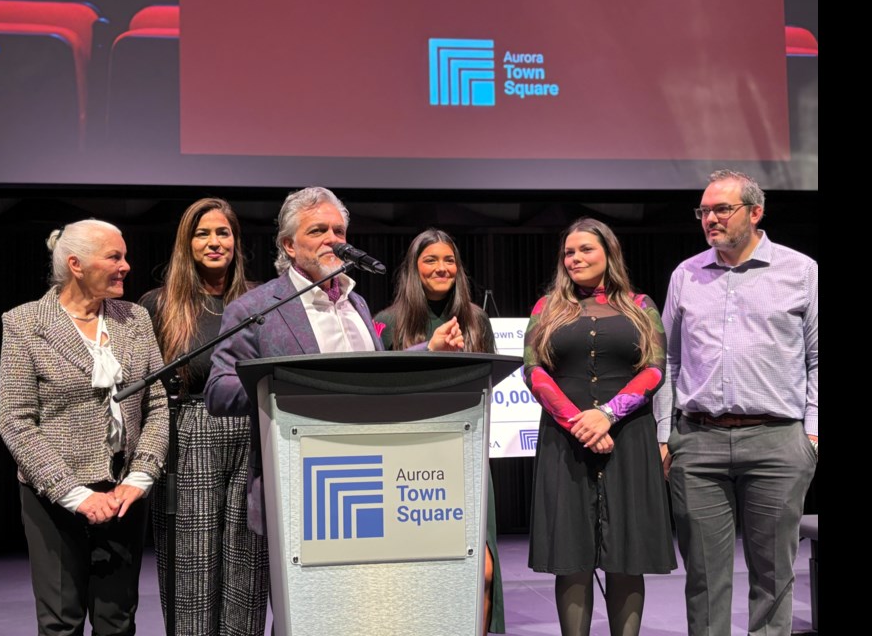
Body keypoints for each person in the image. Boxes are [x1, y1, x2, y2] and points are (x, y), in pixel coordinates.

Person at [653, 170, 818, 636]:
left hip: (777, 441)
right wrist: (666, 436)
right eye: (704, 211)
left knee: (773, 576)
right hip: (698, 442)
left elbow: (817, 356)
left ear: (755, 212)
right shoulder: (685, 273)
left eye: (722, 209)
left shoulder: (800, 271)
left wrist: (812, 434)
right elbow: (667, 358)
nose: (710, 219)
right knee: (704, 578)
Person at [0, 219, 169, 635]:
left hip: (124, 493)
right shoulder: (24, 323)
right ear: (76, 264)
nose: (126, 265)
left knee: (117, 621)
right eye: (114, 257)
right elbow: (15, 420)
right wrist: (74, 494)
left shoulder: (135, 319)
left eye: (124, 255)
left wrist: (141, 475)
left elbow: (158, 402)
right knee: (61, 622)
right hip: (54, 497)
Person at [522, 217, 676, 636]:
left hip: (629, 438)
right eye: (568, 252)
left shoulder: (642, 306)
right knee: (571, 557)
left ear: (609, 253)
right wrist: (578, 421)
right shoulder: (546, 308)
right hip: (564, 440)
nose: (574, 258)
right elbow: (533, 371)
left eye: (585, 249)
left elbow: (655, 369)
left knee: (627, 554)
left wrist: (607, 413)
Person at [205, 186, 465, 418]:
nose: (333, 239)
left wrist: (429, 349)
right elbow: (218, 394)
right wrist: (283, 384)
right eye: (318, 230)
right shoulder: (254, 308)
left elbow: (374, 373)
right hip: (296, 460)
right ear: (290, 245)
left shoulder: (356, 302)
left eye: (338, 231)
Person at [139, 199, 268, 636]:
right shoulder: (160, 304)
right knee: (191, 568)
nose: (215, 242)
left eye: (224, 233)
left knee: (247, 568)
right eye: (203, 233)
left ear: (236, 241)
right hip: (189, 431)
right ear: (186, 244)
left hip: (252, 431)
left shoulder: (259, 298)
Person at [373, 228, 505, 635]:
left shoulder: (476, 319)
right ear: (414, 268)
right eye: (430, 260)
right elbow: (377, 389)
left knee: (481, 572)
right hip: (406, 462)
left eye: (449, 260)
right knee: (420, 575)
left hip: (465, 455)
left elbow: (490, 380)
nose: (441, 268)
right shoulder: (386, 321)